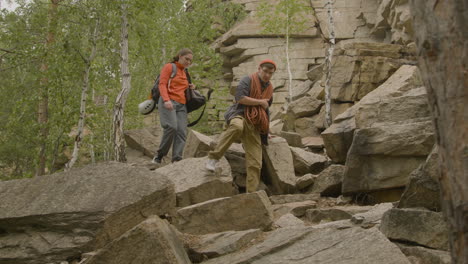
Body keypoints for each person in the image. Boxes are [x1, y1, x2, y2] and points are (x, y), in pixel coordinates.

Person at [205, 59, 276, 193]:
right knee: (237, 127)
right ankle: (213, 158)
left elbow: (265, 110)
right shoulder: (247, 80)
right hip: (239, 114)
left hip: (255, 124)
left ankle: (252, 195)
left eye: (270, 73)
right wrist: (260, 101)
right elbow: (240, 98)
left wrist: (266, 132)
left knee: (255, 163)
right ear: (259, 69)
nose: (267, 75)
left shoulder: (270, 88)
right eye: (265, 71)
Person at [152, 48, 196, 164]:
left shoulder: (186, 72)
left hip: (182, 105)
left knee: (181, 131)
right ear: (180, 56)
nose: (188, 62)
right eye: (187, 59)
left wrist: (191, 87)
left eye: (190, 61)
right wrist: (166, 100)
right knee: (171, 127)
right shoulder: (169, 67)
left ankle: (177, 159)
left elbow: (182, 87)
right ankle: (159, 155)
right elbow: (162, 84)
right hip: (168, 101)